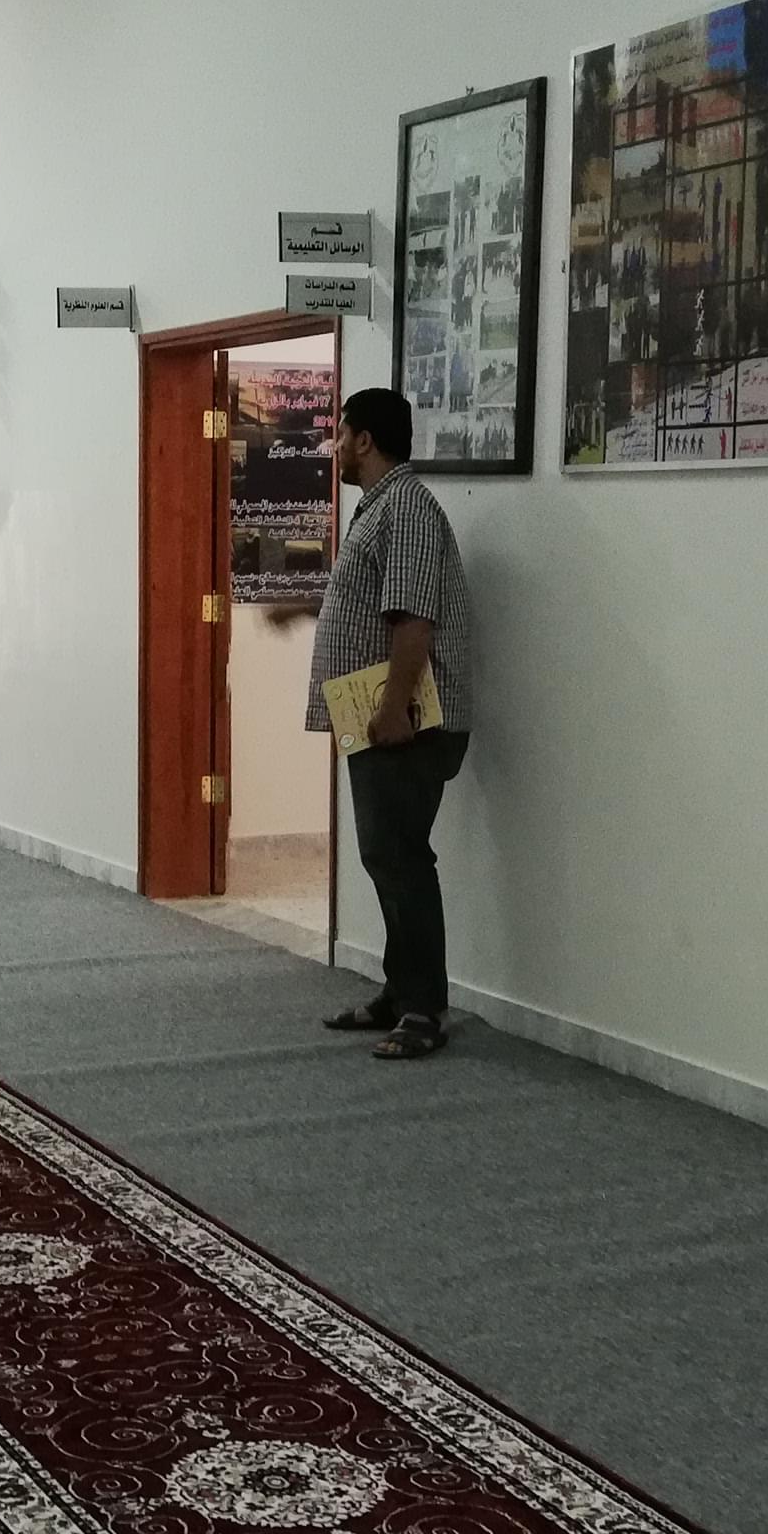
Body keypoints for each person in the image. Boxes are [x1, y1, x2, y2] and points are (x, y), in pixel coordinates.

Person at [307, 388, 477, 1062]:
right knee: (385, 855)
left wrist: (393, 707)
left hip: (405, 719)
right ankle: (399, 989)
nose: (335, 447)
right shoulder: (379, 506)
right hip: (378, 711)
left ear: (365, 440)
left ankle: (424, 1009)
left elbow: (413, 620)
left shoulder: (404, 509)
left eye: (340, 434)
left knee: (400, 857)